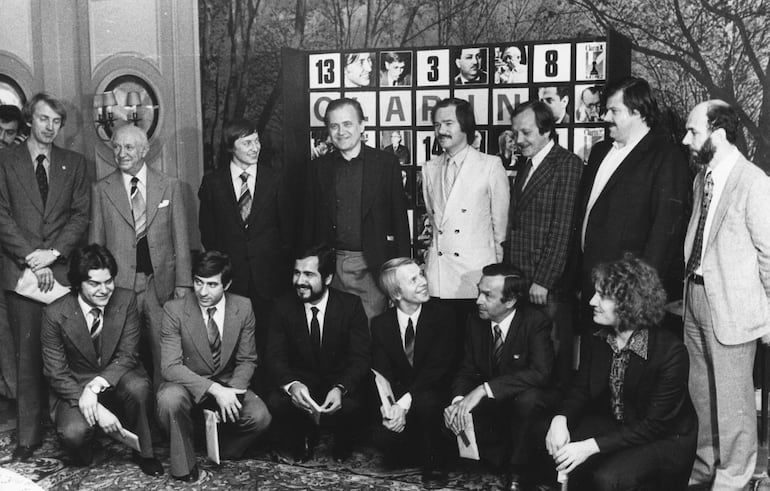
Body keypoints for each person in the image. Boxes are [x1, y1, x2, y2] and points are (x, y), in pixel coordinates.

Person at [545, 256, 696, 490]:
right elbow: (580, 389)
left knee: (610, 479)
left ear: (630, 302)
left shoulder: (671, 353)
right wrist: (560, 418)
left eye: (602, 296)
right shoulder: (599, 338)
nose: (592, 301)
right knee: (553, 444)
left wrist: (589, 446)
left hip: (663, 439)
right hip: (621, 425)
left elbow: (653, 426)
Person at [681, 100, 770, 489]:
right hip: (694, 298)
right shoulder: (703, 177)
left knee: (733, 402)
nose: (686, 139)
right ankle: (706, 466)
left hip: (732, 309)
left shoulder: (754, 182)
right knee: (700, 392)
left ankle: (734, 476)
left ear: (717, 135)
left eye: (693, 131)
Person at [0, 93, 90, 462]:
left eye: (56, 121)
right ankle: (28, 437)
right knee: (26, 358)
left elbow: (80, 216)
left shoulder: (75, 164)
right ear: (29, 121)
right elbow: (1, 215)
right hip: (20, 273)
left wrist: (52, 255)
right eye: (43, 119)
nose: (49, 127)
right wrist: (30, 259)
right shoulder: (5, 161)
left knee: (65, 355)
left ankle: (74, 428)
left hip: (60, 271)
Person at [41, 244, 163, 476]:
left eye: (108, 282)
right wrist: (95, 406)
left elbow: (128, 355)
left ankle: (144, 452)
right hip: (76, 385)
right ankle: (93, 446)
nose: (104, 290)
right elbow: (56, 373)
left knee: (138, 387)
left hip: (116, 375)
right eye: (94, 284)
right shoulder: (54, 314)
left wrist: (95, 387)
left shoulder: (126, 300)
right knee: (73, 433)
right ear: (78, 283)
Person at [90, 125, 192, 387]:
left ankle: (166, 418)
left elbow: (181, 238)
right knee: (123, 360)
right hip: (120, 287)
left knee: (166, 360)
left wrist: (183, 283)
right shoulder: (102, 189)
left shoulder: (169, 186)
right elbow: (96, 246)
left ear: (145, 150)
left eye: (129, 147)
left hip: (161, 287)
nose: (121, 153)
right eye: (116, 147)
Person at [577, 76, 689, 313]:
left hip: (628, 291)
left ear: (638, 112)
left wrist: (640, 291)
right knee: (592, 350)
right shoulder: (599, 151)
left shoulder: (666, 157)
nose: (605, 117)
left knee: (625, 351)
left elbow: (665, 231)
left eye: (613, 111)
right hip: (590, 284)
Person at [157, 251, 272, 481]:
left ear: (226, 284)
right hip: (189, 383)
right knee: (169, 399)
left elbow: (247, 359)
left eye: (211, 284)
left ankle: (221, 449)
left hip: (228, 382)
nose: (202, 291)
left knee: (261, 417)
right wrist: (214, 390)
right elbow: (170, 367)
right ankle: (185, 464)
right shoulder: (174, 309)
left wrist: (233, 392)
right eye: (198, 282)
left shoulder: (243, 307)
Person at [444, 263, 554, 490]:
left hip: (525, 401)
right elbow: (466, 369)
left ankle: (518, 471)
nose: (478, 301)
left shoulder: (535, 322)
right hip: (495, 405)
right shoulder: (474, 321)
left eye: (487, 295)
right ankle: (498, 456)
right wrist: (458, 402)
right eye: (478, 291)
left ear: (511, 300)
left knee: (529, 399)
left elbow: (540, 373)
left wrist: (485, 389)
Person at [302, 98, 410, 320]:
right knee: (335, 336)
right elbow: (308, 224)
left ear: (362, 126)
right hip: (332, 267)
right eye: (334, 126)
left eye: (348, 124)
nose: (341, 131)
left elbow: (400, 221)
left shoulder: (385, 164)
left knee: (371, 337)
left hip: (373, 265)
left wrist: (401, 273)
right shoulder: (317, 169)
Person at [265, 245, 370, 464]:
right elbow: (275, 357)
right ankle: (303, 435)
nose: (300, 281)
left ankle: (343, 439)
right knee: (276, 400)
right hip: (303, 384)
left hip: (337, 384)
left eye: (309, 274)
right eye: (296, 273)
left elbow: (360, 358)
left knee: (356, 403)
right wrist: (292, 385)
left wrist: (341, 388)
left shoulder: (350, 306)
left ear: (328, 278)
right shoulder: (282, 306)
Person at [505, 101, 583, 386]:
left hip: (545, 286)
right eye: (515, 134)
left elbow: (562, 229)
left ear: (547, 130)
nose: (518, 141)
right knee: (528, 357)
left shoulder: (567, 164)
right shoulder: (528, 165)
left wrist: (544, 280)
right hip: (522, 280)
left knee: (551, 356)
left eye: (526, 133)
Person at [199, 119, 293, 343]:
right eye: (247, 143)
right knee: (233, 340)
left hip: (269, 279)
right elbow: (207, 232)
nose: (255, 148)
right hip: (232, 279)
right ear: (231, 146)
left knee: (268, 340)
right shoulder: (213, 183)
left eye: (257, 141)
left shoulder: (275, 179)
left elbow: (287, 230)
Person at [421, 97, 509, 324]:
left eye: (448, 123)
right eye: (437, 125)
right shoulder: (430, 168)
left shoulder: (490, 165)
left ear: (466, 126)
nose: (441, 130)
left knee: (474, 348)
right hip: (439, 276)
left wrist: (497, 276)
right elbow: (434, 221)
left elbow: (500, 228)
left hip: (475, 276)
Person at [370, 258, 457, 488]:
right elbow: (382, 372)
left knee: (427, 402)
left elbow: (436, 370)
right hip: (403, 398)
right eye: (414, 279)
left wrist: (404, 403)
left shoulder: (443, 316)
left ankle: (434, 463)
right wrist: (389, 407)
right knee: (383, 441)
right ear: (397, 294)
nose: (423, 282)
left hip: (434, 393)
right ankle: (415, 445)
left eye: (421, 274)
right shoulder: (380, 324)